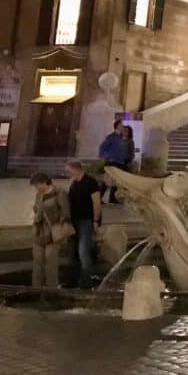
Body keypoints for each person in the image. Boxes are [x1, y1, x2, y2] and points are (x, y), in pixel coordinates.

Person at [30, 172, 70, 289]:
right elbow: (36, 208)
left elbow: (65, 211)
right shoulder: (39, 194)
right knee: (37, 262)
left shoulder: (59, 193)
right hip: (39, 232)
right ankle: (36, 288)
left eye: (37, 185)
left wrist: (64, 224)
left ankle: (52, 288)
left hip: (53, 232)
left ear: (44, 183)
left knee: (50, 261)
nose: (36, 188)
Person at [65, 161, 101, 289]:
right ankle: (72, 281)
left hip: (86, 221)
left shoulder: (91, 182)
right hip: (74, 221)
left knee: (83, 251)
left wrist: (96, 221)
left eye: (68, 171)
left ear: (76, 169)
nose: (67, 174)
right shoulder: (74, 183)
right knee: (73, 252)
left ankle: (86, 284)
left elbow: (96, 203)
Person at [98, 121, 134, 204]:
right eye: (121, 126)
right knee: (106, 182)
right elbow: (103, 147)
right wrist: (105, 157)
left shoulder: (125, 140)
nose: (123, 127)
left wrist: (128, 161)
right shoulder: (112, 137)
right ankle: (99, 198)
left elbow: (129, 153)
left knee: (116, 182)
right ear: (117, 126)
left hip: (121, 164)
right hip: (112, 163)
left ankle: (112, 199)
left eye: (124, 127)